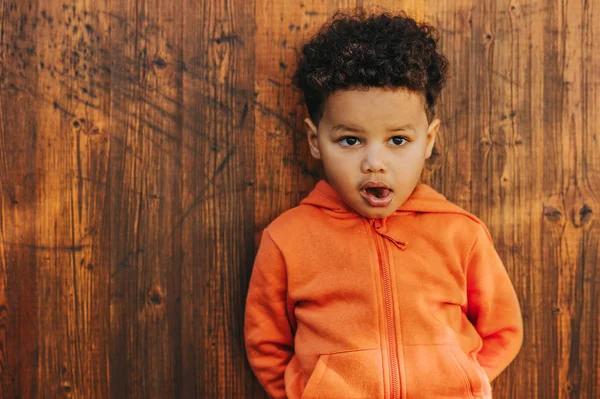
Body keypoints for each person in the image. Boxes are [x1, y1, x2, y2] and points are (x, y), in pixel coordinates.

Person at [244, 8, 523, 399]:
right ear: (314, 140)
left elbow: (503, 328)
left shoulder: (462, 233)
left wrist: (467, 382)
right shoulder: (287, 239)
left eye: (397, 140)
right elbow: (266, 344)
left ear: (427, 141)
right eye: (350, 140)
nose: (374, 161)